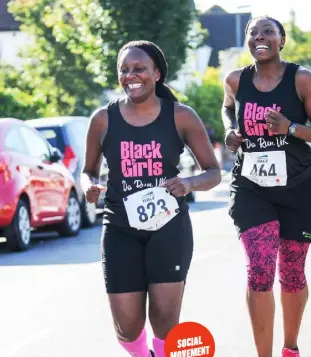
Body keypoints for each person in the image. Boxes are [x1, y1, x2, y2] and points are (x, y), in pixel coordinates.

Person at [81, 40, 221, 357]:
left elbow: (213, 171)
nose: (132, 75)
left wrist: (188, 183)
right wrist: (89, 185)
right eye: (125, 70)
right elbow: (87, 170)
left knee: (165, 320)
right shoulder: (103, 119)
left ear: (156, 73)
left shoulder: (181, 116)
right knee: (127, 327)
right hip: (119, 228)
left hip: (169, 227)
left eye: (139, 69)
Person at [222, 15, 311, 357]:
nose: (260, 37)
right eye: (253, 32)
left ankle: (290, 347)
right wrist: (230, 131)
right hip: (252, 187)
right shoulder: (235, 80)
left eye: (268, 31)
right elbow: (228, 109)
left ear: (282, 40)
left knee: (291, 271)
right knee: (259, 268)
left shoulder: (301, 80)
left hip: (299, 189)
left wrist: (289, 128)